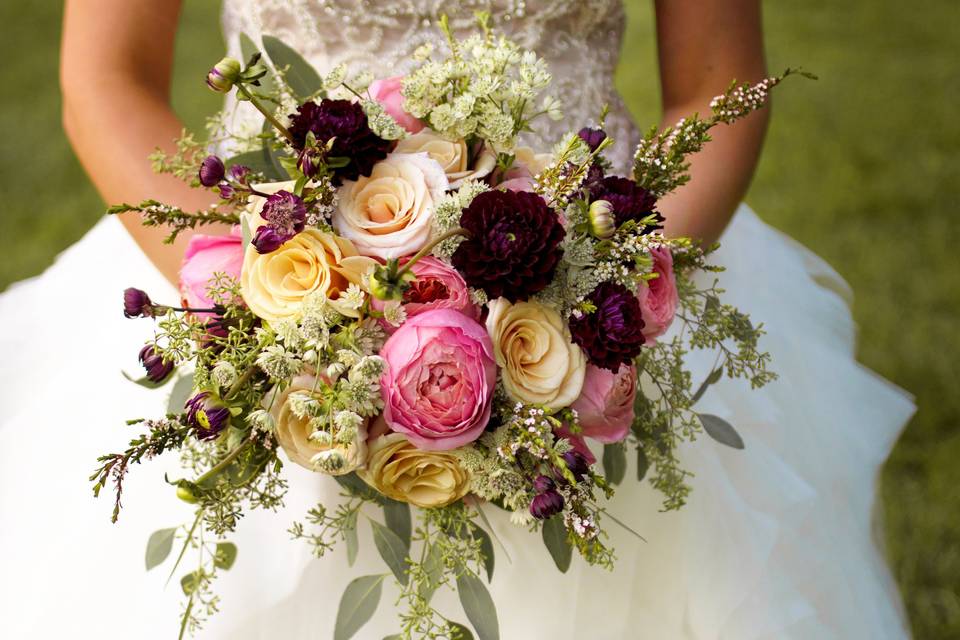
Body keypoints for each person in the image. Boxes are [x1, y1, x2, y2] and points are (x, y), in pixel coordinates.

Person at [0, 1, 914, 638]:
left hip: (595, 280)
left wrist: (597, 311)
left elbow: (718, 85)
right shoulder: (264, 309)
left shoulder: (597, 306)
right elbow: (105, 76)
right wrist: (268, 317)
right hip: (269, 275)